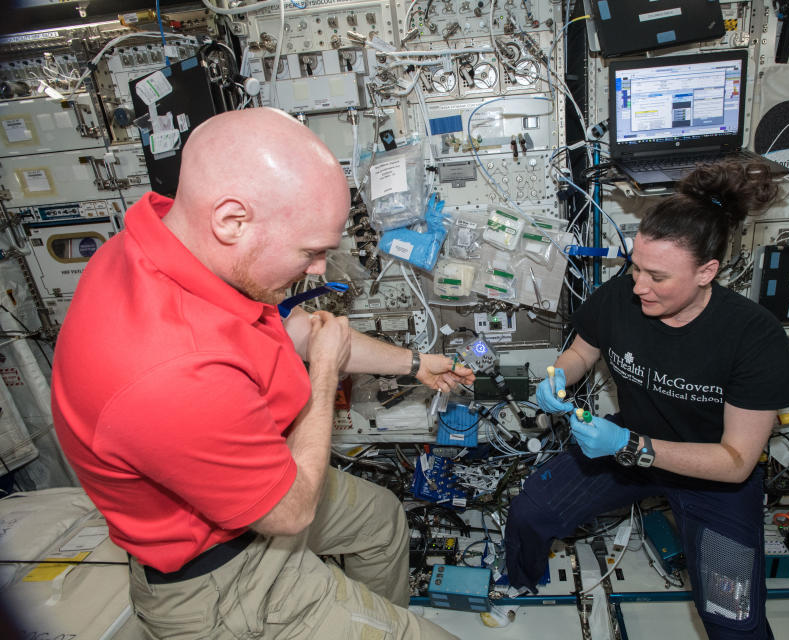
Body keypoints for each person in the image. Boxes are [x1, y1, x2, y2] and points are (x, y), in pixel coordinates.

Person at [51, 108, 474, 639]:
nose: (320, 269)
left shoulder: (176, 240)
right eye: (312, 251)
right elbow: (291, 512)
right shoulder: (168, 370)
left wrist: (415, 364)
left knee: (381, 520)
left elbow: (302, 330)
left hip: (255, 499)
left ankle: (371, 618)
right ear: (232, 220)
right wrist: (324, 377)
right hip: (223, 579)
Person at [505, 161, 789, 639]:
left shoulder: (754, 337)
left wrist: (630, 445)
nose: (639, 286)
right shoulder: (625, 295)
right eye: (635, 267)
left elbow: (737, 461)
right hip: (626, 448)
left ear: (707, 272)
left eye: (658, 277)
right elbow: (583, 349)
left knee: (732, 618)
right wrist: (558, 375)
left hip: (711, 476)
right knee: (530, 513)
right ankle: (521, 582)